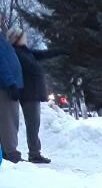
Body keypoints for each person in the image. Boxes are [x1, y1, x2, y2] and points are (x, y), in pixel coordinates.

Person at [7, 29, 61, 164]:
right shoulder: (16, 53)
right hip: (28, 92)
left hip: (32, 92)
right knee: (32, 124)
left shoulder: (25, 51)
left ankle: (34, 152)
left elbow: (43, 54)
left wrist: (59, 51)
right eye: (23, 36)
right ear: (18, 38)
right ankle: (33, 153)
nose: (26, 38)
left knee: (34, 124)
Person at [0, 32, 22, 163]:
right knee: (9, 120)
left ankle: (6, 151)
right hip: (5, 87)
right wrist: (11, 83)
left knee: (8, 119)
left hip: (8, 85)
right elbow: (1, 62)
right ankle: (10, 152)